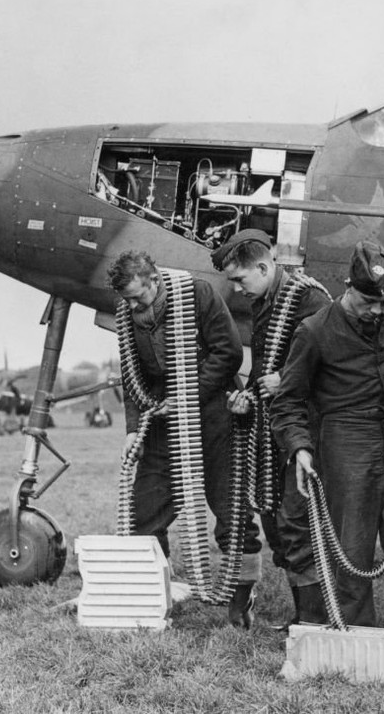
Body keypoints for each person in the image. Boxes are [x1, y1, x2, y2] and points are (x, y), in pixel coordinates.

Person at [270, 240, 384, 632]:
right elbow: (287, 401)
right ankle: (356, 637)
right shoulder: (313, 331)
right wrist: (300, 448)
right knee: (351, 551)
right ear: (348, 287)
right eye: (369, 303)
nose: (378, 311)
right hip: (347, 440)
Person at [107, 250, 262, 628]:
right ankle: (153, 603)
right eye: (125, 299)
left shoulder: (198, 295)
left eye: (138, 297)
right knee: (144, 512)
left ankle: (240, 602)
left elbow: (227, 354)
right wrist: (133, 429)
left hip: (214, 417)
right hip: (162, 420)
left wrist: (188, 395)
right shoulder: (127, 316)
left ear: (155, 280)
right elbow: (132, 376)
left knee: (233, 515)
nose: (132, 305)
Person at [210, 229, 331, 628]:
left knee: (297, 526)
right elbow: (266, 370)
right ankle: (304, 616)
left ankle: (314, 623)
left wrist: (287, 379)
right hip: (274, 433)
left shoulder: (308, 298)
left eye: (241, 279)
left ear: (263, 267)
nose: (238, 290)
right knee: (280, 527)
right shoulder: (266, 301)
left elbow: (334, 364)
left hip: (307, 433)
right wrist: (247, 395)